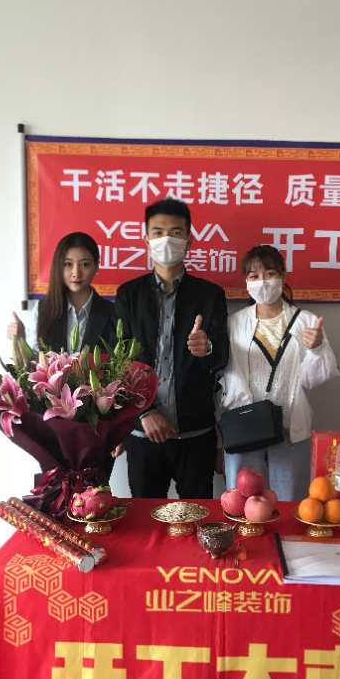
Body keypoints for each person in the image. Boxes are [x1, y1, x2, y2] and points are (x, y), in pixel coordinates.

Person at [115, 198, 228, 499]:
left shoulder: (210, 295)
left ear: (189, 241)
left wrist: (207, 348)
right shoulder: (128, 295)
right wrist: (145, 412)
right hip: (143, 433)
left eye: (176, 233)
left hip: (195, 433)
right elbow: (119, 361)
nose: (167, 239)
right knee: (145, 518)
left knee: (198, 516)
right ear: (146, 239)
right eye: (158, 232)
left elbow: (224, 357)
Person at [219, 244, 340, 501]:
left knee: (288, 503)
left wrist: (317, 348)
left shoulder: (307, 321)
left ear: (283, 276)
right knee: (243, 504)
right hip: (245, 429)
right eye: (254, 276)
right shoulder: (233, 322)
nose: (262, 282)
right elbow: (222, 373)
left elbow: (315, 379)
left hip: (290, 429)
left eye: (270, 274)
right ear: (246, 282)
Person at [7, 232, 116, 352]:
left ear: (96, 266)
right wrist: (21, 341)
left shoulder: (112, 312)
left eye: (85, 264)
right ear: (59, 266)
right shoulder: (42, 309)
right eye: (68, 264)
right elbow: (34, 361)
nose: (76, 273)